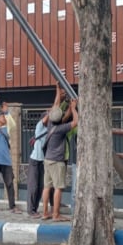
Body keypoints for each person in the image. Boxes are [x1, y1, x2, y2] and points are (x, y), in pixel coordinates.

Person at [41, 85, 78, 222]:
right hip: (57, 161)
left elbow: (56, 105)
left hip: (47, 160)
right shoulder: (61, 129)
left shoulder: (50, 124)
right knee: (58, 188)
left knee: (47, 187)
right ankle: (56, 214)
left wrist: (58, 90)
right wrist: (73, 108)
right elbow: (75, 122)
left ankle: (45, 212)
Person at [26, 111, 53, 218]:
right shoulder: (39, 127)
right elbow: (46, 118)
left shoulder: (49, 130)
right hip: (34, 161)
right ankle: (30, 210)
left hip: (43, 162)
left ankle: (35, 209)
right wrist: (51, 112)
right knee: (33, 186)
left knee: (41, 186)